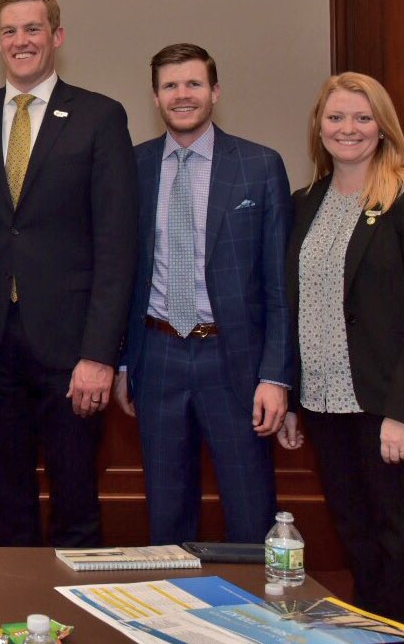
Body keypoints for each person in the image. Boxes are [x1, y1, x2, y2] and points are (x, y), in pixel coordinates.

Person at [277, 72, 404, 641]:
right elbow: (298, 305)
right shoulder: (305, 203)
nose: (348, 129)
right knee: (358, 541)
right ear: (319, 126)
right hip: (326, 405)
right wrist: (291, 396)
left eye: (363, 118)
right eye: (336, 117)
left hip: (399, 409)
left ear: (382, 127)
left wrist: (403, 412)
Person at [0, 0, 138, 547]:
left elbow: (117, 244)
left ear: (56, 37)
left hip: (72, 351)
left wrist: (100, 355)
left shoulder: (99, 116)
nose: (20, 41)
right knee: (6, 501)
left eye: (32, 29)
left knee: (76, 501)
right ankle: (15, 626)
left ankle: (73, 629)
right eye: (9, 30)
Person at [114, 43, 294, 545]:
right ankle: (173, 619)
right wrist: (126, 363)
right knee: (167, 516)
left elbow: (280, 286)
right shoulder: (133, 167)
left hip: (234, 361)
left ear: (215, 91)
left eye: (193, 83)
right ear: (155, 97)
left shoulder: (259, 166)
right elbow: (122, 274)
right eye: (170, 86)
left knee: (250, 510)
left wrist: (276, 376)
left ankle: (252, 620)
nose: (182, 95)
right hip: (160, 355)